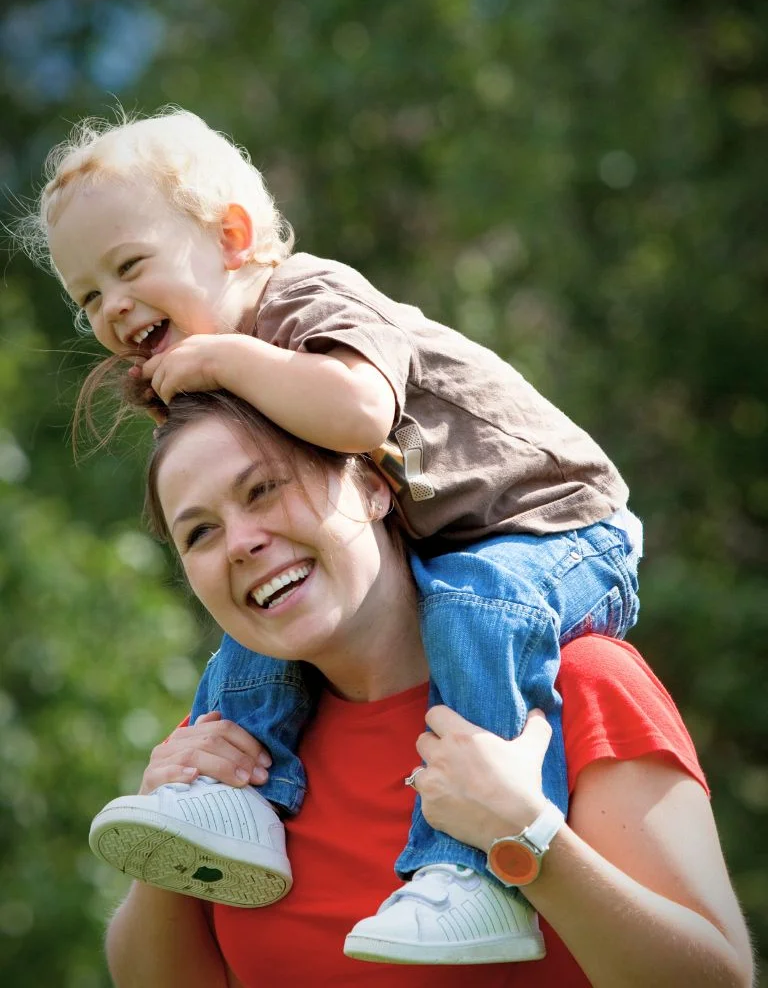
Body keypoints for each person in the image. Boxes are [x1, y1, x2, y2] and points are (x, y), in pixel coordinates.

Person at [26, 107, 644, 963]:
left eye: (130, 267)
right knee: (251, 648)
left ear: (234, 237)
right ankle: (242, 792)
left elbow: (358, 416)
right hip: (461, 539)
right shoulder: (245, 370)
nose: (114, 306)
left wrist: (219, 362)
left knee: (475, 604)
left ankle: (468, 869)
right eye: (88, 295)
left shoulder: (308, 296)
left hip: (560, 522)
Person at [104, 391, 752, 987]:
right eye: (200, 532)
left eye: (265, 489)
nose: (241, 542)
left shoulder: (580, 682)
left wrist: (524, 836)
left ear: (375, 485)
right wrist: (167, 844)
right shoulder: (228, 748)